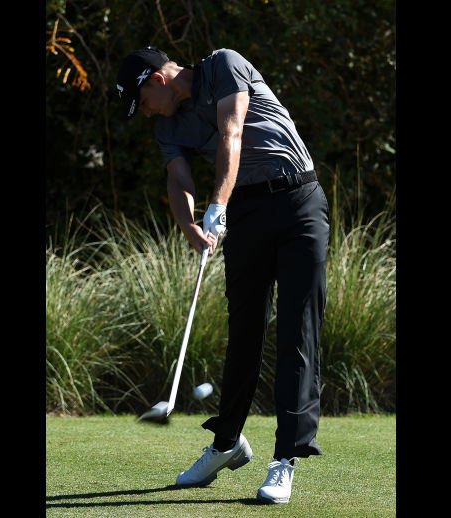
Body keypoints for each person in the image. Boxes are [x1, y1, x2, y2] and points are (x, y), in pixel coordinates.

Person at [116, 45, 330, 505]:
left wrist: (218, 203)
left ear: (157, 80)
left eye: (145, 104)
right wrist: (191, 225)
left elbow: (232, 130)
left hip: (298, 203)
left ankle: (285, 460)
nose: (149, 115)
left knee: (298, 332)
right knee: (244, 332)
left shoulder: (224, 65)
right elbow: (178, 178)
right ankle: (226, 443)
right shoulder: (170, 125)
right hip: (247, 212)